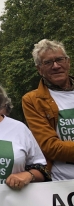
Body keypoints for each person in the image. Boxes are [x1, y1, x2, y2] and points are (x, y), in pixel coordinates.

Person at [22, 39, 74, 181]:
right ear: (39, 69)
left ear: (68, 62)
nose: (56, 66)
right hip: (62, 183)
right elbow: (49, 147)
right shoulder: (31, 100)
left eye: (59, 60)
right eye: (48, 62)